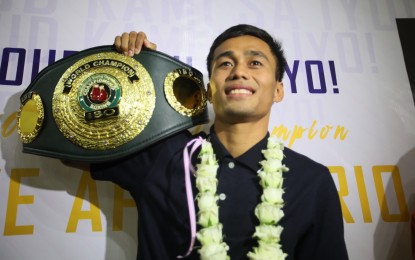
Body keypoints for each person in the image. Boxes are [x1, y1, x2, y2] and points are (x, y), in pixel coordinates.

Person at [89, 24, 348, 259]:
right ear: (209, 91)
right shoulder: (161, 156)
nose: (238, 72)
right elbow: (71, 148)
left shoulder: (312, 180)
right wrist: (123, 69)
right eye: (225, 64)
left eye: (255, 63)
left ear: (278, 90)